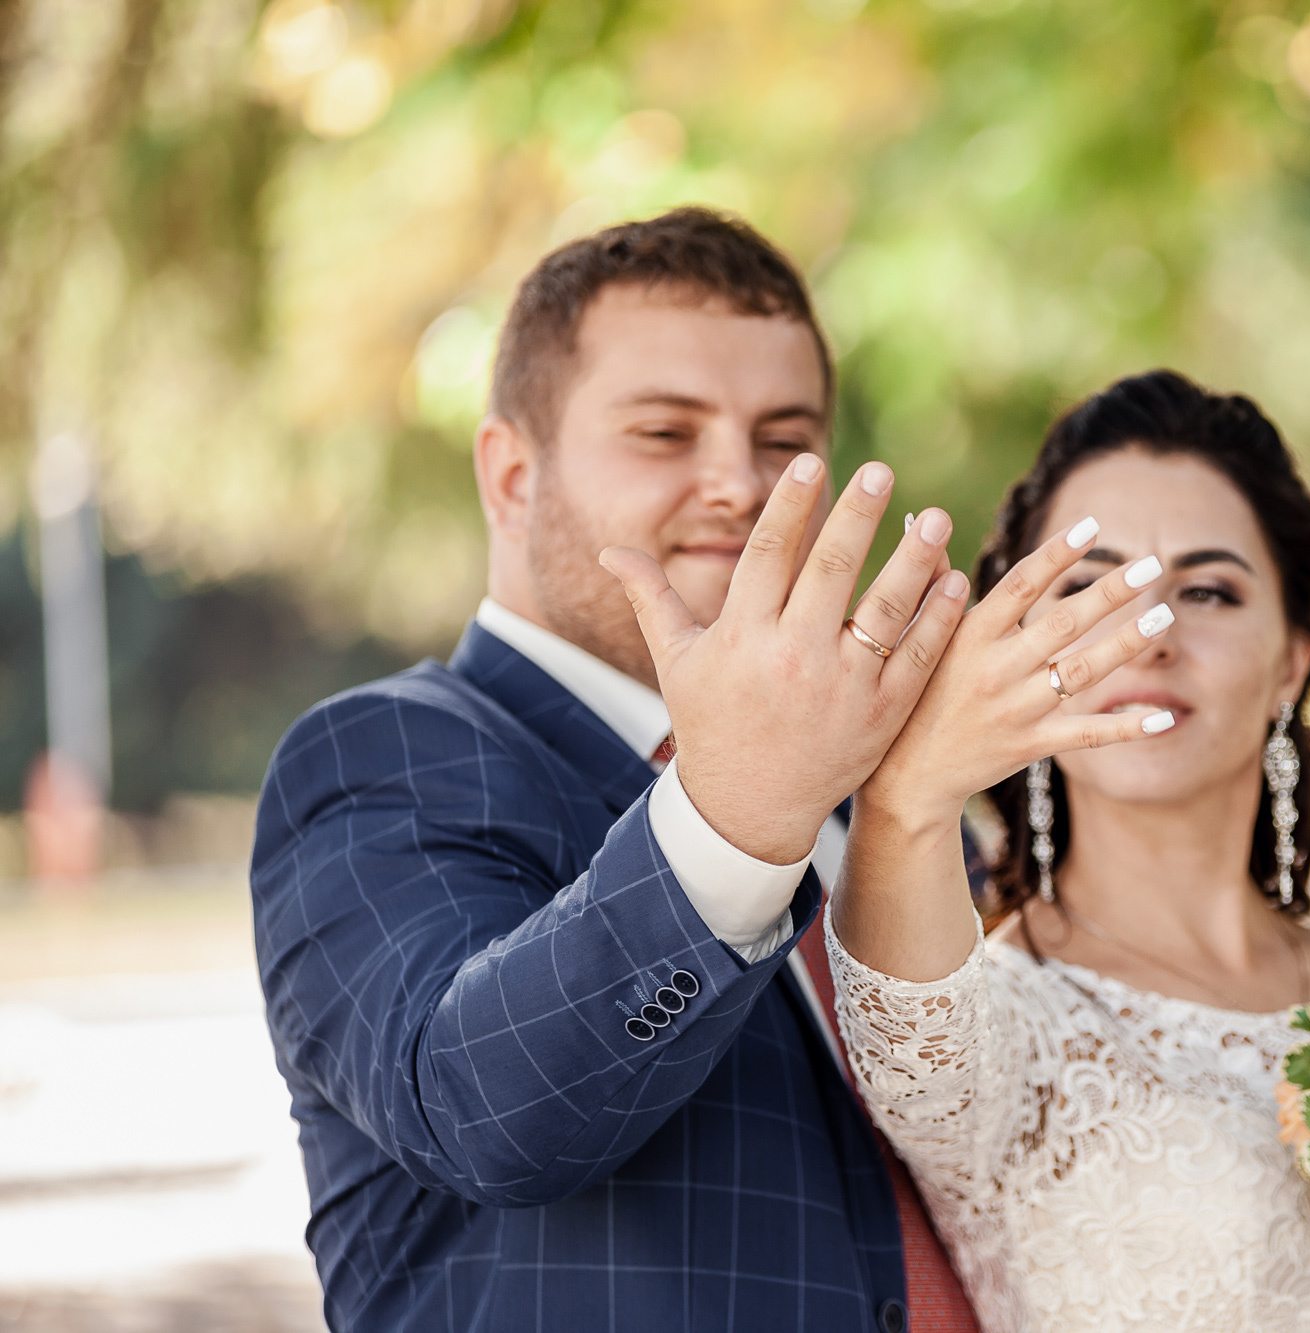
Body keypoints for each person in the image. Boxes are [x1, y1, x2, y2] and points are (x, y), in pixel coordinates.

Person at [251, 208, 979, 1332]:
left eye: (785, 436)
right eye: (663, 433)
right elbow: (479, 1106)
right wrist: (737, 815)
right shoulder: (377, 757)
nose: (740, 484)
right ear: (509, 473)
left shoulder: (893, 801)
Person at [812, 371, 1310, 1332]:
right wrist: (907, 773)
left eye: (1207, 589)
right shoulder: (988, 1022)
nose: (1152, 637)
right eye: (1092, 587)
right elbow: (899, 845)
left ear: (1291, 656)